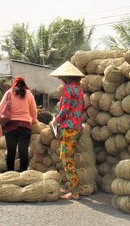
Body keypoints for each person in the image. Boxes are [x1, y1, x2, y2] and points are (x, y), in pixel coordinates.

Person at [49, 61, 85, 200]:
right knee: (69, 157)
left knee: (66, 158)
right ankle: (74, 188)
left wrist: (55, 121)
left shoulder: (67, 89)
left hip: (68, 128)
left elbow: (64, 109)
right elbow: (82, 109)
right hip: (76, 127)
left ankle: (75, 191)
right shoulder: (80, 90)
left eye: (61, 78)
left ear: (65, 77)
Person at [0, 77, 38, 172]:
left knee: (11, 151)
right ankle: (23, 172)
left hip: (11, 126)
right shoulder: (29, 94)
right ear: (24, 84)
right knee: (23, 151)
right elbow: (33, 110)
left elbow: (0, 108)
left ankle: (10, 173)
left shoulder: (9, 93)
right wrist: (34, 120)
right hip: (25, 126)